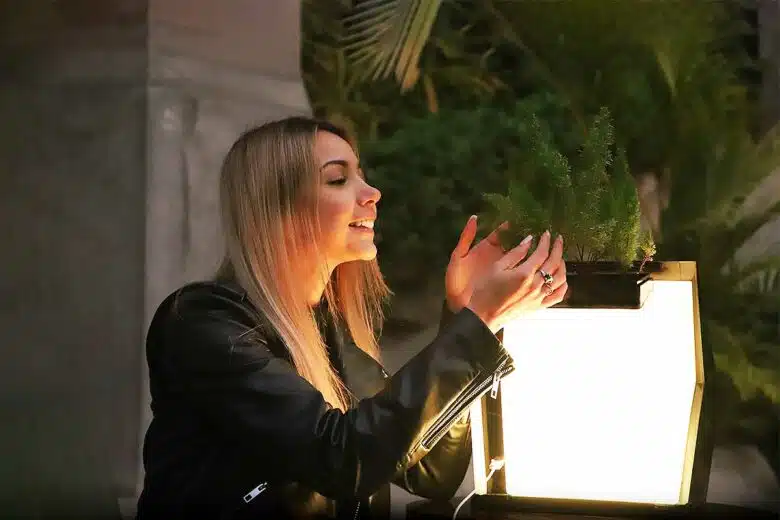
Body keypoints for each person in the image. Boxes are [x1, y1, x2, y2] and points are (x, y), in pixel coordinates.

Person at [135, 117, 567, 520]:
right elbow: (342, 458)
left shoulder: (327, 332)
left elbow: (433, 472)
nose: (371, 193)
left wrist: (464, 316)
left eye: (360, 175)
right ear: (277, 208)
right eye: (338, 179)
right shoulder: (204, 323)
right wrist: (477, 321)